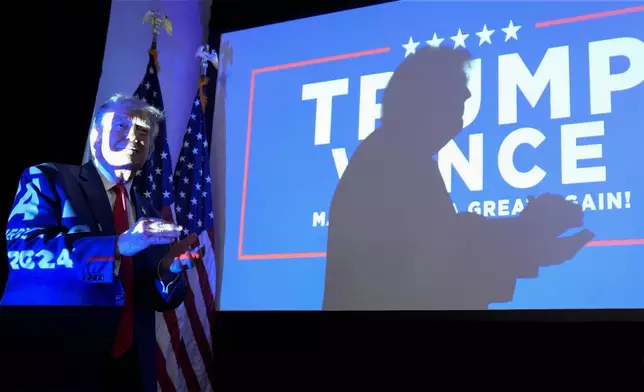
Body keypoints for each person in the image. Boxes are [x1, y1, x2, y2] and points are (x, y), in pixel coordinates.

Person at [323, 47, 594, 311]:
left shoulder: (393, 155)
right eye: (455, 88)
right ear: (422, 98)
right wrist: (527, 235)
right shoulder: (393, 161)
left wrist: (528, 235)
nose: (466, 95)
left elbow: (444, 241)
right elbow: (437, 263)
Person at [2, 94, 201, 391]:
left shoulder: (146, 209)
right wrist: (116, 247)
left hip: (130, 367)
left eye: (144, 132)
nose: (134, 136)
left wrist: (170, 270)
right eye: (122, 125)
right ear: (96, 136)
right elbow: (23, 253)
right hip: (57, 362)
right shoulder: (48, 178)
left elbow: (159, 299)